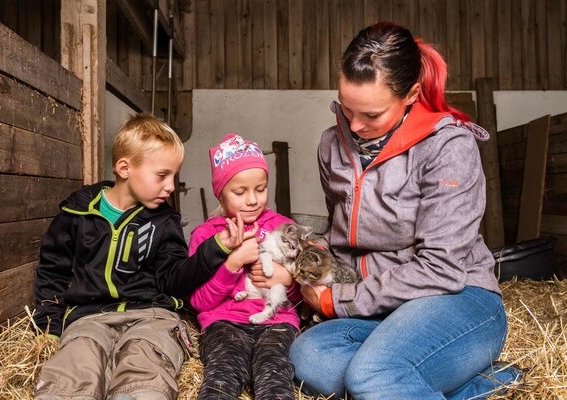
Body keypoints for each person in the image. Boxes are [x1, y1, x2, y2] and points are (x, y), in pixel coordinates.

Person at [289, 22, 523, 399]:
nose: (354, 124)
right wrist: (310, 257)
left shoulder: (448, 148)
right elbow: (340, 236)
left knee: (371, 374)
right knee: (309, 359)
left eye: (371, 115)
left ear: (412, 94)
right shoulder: (331, 145)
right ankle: (468, 383)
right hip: (380, 308)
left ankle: (398, 371)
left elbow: (441, 268)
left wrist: (338, 301)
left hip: (456, 299)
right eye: (347, 108)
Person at [31, 114, 251, 400]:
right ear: (125, 168)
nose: (171, 186)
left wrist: (216, 247)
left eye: (174, 176)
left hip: (152, 316)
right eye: (162, 175)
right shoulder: (78, 212)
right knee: (74, 366)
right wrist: (49, 325)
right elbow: (53, 270)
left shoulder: (165, 221)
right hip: (89, 318)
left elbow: (174, 280)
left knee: (146, 362)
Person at [188, 133, 301, 400]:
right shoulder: (205, 236)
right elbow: (199, 302)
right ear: (220, 193)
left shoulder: (283, 227)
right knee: (223, 371)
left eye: (260, 189)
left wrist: (287, 280)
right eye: (239, 192)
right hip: (224, 322)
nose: (252, 200)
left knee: (274, 371)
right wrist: (233, 264)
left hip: (277, 321)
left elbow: (300, 297)